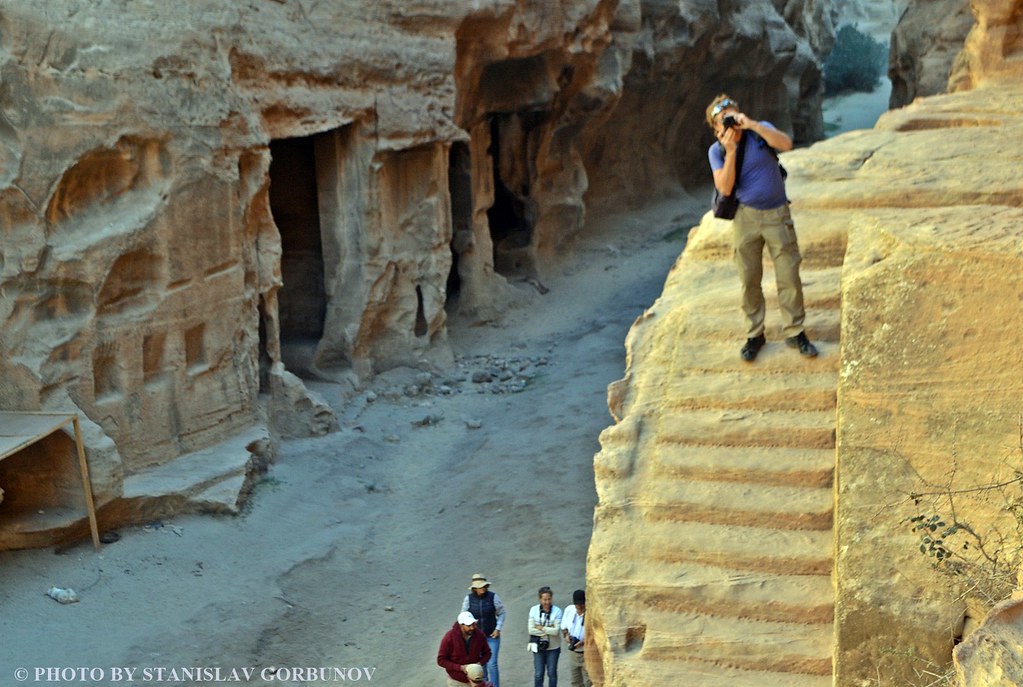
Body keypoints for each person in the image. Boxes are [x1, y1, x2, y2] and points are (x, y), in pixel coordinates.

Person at [706, 94, 819, 362]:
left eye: (732, 114)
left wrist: (753, 125)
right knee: (749, 279)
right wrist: (731, 149)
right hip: (745, 218)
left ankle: (796, 332)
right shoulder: (717, 151)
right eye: (723, 120)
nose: (730, 121)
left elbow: (786, 144)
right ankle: (754, 334)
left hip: (778, 213)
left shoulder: (760, 131)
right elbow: (724, 187)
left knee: (788, 275)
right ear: (715, 128)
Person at [461, 573, 506, 687]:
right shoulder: (468, 599)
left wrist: (498, 628)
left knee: (492, 664)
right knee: (481, 664)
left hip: (492, 635)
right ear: (474, 588)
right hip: (476, 637)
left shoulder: (493, 597)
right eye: (479, 587)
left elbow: (501, 613)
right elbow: (463, 616)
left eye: (483, 586)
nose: (482, 589)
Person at [438, 611, 492, 686]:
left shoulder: (480, 635)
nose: (472, 627)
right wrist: (460, 668)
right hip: (456, 682)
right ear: (461, 625)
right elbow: (441, 660)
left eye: (474, 624)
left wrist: (479, 664)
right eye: (469, 625)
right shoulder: (449, 637)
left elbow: (487, 653)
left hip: (475, 681)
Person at [528, 585, 563, 687]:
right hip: (538, 646)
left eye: (549, 599)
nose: (547, 602)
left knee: (552, 673)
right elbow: (530, 630)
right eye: (544, 599)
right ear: (540, 599)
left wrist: (541, 628)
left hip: (553, 647)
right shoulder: (533, 610)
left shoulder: (557, 611)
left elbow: (556, 631)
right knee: (539, 674)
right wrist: (548, 630)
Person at [560, 589, 591, 687]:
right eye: (578, 605)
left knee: (589, 681)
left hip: (587, 653)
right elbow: (563, 627)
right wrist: (566, 635)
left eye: (582, 605)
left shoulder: (591, 613)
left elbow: (596, 634)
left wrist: (583, 642)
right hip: (573, 653)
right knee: (575, 681)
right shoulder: (570, 609)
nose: (580, 607)